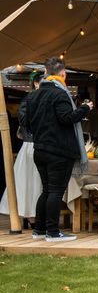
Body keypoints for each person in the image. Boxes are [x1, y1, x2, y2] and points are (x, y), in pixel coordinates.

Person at [24, 58, 93, 242]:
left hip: (39, 149)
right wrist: (85, 109)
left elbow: (27, 123)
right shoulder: (60, 94)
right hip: (59, 151)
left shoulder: (33, 95)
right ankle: (53, 232)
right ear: (63, 74)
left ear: (46, 73)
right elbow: (66, 118)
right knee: (55, 191)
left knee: (46, 190)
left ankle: (39, 230)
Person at [0, 71, 44, 227]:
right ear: (37, 84)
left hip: (39, 144)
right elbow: (25, 122)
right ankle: (31, 216)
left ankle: (35, 216)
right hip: (31, 145)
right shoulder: (28, 100)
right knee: (29, 182)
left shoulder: (39, 99)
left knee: (37, 182)